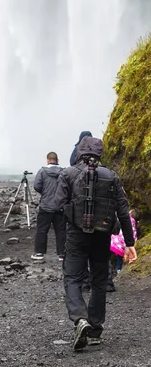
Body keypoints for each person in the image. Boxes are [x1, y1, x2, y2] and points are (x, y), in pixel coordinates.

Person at [54, 136, 137, 351]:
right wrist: (130, 242)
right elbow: (122, 210)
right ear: (100, 153)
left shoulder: (68, 173)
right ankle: (95, 329)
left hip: (76, 235)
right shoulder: (111, 176)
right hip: (102, 236)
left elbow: (57, 205)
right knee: (100, 279)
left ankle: (80, 319)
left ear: (80, 152)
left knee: (72, 277)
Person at [31, 152, 66, 262]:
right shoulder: (64, 172)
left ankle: (39, 253)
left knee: (42, 230)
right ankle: (62, 254)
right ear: (57, 160)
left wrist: (45, 193)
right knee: (61, 231)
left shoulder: (42, 171)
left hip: (46, 205)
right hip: (60, 206)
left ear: (47, 160)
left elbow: (37, 186)